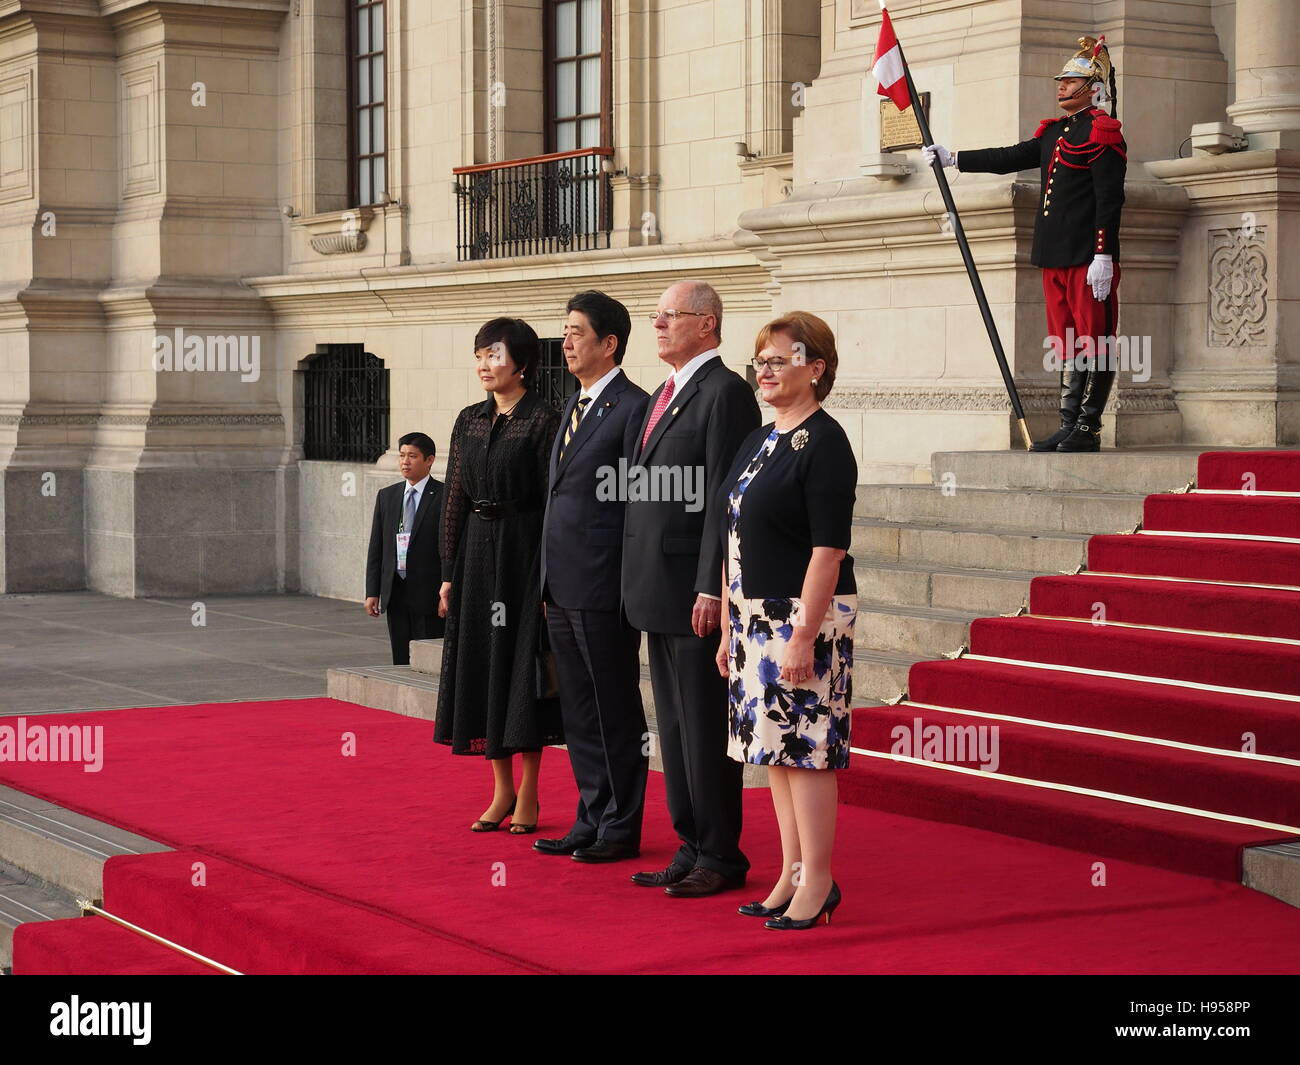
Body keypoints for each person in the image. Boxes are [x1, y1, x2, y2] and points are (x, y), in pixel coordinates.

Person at [714, 311, 856, 930]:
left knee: (807, 750)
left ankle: (819, 881)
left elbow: (829, 550)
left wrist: (802, 635)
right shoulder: (758, 438)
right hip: (751, 616)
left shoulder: (826, 443)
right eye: (760, 362)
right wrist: (726, 625)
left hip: (805, 618)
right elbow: (732, 534)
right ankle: (790, 874)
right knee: (773, 751)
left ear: (815, 368)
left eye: (779, 360)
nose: (764, 372)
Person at [622, 280, 760, 898]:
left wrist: (713, 586)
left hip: (695, 592)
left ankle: (722, 854)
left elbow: (723, 502)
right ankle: (690, 842)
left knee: (703, 726)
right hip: (654, 586)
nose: (657, 326)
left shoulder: (725, 392)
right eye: (655, 317)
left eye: (669, 316)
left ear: (706, 324)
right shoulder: (663, 392)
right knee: (673, 727)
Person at [924, 35, 1126, 453]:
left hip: (1088, 257)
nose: (1061, 86)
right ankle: (1069, 423)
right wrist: (955, 158)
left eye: (1070, 81)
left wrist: (1103, 253)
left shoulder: (1103, 132)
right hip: (1054, 255)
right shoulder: (1056, 132)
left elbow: (1110, 199)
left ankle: (1088, 428)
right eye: (1061, 80)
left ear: (1092, 88)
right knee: (1067, 340)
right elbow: (1010, 157)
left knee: (1096, 339)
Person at [534, 291, 651, 864]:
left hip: (604, 588)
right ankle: (590, 814)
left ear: (610, 343)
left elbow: (638, 506)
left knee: (613, 708)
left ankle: (621, 825)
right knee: (578, 710)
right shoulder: (573, 404)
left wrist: (626, 584)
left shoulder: (635, 408)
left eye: (577, 331)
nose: (566, 341)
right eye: (565, 330)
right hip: (560, 584)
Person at [434, 318, 562, 834]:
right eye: (480, 355)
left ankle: (529, 792)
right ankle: (500, 789)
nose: (485, 365)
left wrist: (550, 575)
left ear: (522, 362)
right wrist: (448, 572)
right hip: (476, 559)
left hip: (524, 554)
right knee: (484, 666)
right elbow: (454, 498)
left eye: (495, 355)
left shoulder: (544, 419)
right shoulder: (469, 418)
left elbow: (555, 502)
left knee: (522, 673)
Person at [364, 432, 445, 663]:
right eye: (401, 455)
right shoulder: (387, 496)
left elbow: (451, 550)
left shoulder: (444, 496)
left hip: (429, 593)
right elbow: (377, 548)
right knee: (400, 657)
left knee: (429, 657)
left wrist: (447, 591)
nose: (405, 462)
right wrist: (372, 592)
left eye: (412, 456)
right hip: (396, 590)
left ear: (429, 460)